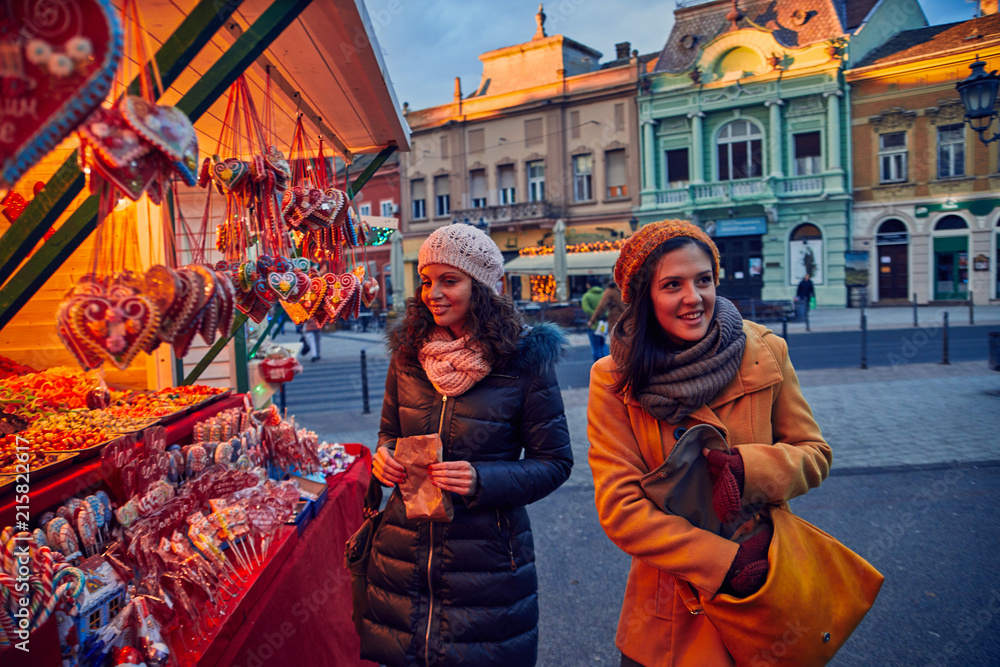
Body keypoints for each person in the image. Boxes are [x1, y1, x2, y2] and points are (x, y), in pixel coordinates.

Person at [586, 220, 831, 666]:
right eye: (672, 285)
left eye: (703, 280)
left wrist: (750, 471)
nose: (693, 298)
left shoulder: (763, 349)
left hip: (765, 579)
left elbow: (814, 454)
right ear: (644, 296)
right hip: (670, 609)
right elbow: (621, 509)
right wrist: (723, 563)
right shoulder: (613, 378)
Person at [366, 224, 574, 666]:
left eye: (449, 280)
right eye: (426, 280)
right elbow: (388, 434)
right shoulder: (408, 354)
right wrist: (382, 459)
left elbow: (554, 462)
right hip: (403, 556)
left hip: (487, 567)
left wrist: (483, 479)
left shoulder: (522, 360)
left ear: (481, 286)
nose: (433, 293)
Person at [587, 279, 625, 345]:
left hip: (616, 321)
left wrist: (592, 321)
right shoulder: (632, 288)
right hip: (632, 321)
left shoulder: (610, 290)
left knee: (618, 346)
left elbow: (601, 307)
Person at [582, 278, 607, 362]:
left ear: (589, 285)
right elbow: (609, 308)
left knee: (595, 347)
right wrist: (602, 314)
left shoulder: (587, 296)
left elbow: (586, 309)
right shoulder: (604, 294)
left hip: (592, 323)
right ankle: (607, 366)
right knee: (603, 344)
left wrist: (595, 314)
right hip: (604, 323)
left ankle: (598, 368)